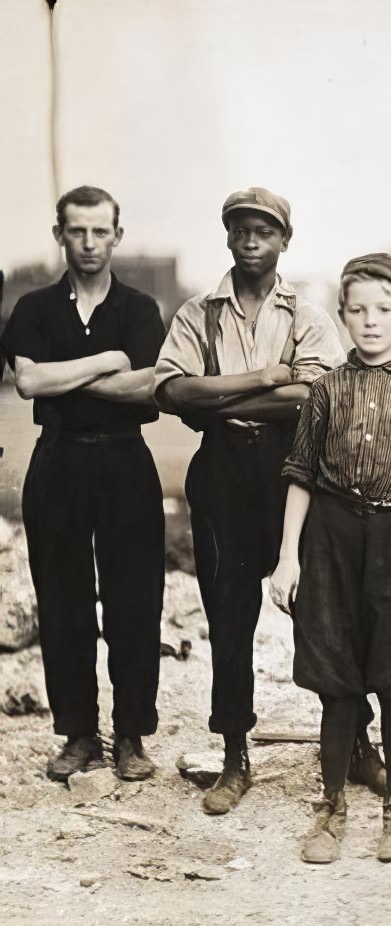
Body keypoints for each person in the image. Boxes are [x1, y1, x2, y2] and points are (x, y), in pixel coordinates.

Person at [153, 188, 347, 815]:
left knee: (318, 612)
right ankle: (235, 756)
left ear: (284, 241)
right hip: (222, 476)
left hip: (293, 470)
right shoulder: (198, 313)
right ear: (228, 236)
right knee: (229, 617)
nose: (251, 238)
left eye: (264, 229)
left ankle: (354, 740)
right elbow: (172, 391)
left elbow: (315, 398)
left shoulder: (307, 315)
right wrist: (263, 379)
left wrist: (220, 399)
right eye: (240, 227)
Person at [269, 253, 391, 863]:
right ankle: (330, 808)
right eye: (358, 310)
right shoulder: (325, 389)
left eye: (385, 310)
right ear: (342, 315)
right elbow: (300, 475)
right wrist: (288, 558)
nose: (370, 322)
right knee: (337, 681)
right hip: (331, 537)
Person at [0, 186, 166, 782]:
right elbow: (27, 384)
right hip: (58, 462)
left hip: (126, 463)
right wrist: (105, 361)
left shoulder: (141, 310)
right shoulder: (34, 310)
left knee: (135, 601)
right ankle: (77, 734)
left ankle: (130, 736)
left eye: (101, 231)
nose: (90, 243)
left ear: (117, 236)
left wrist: (60, 377)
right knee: (63, 601)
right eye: (78, 231)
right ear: (60, 235)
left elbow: (146, 388)